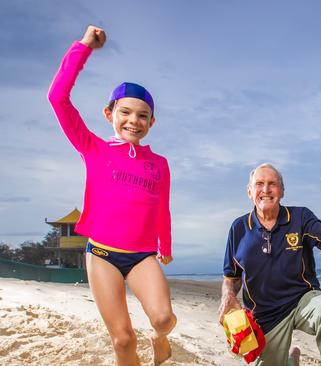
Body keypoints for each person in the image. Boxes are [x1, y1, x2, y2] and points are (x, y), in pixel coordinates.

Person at [48, 26, 176, 366]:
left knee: (164, 319)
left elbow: (161, 206)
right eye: (126, 112)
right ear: (110, 114)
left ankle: (159, 340)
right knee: (122, 339)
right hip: (102, 254)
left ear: (151, 122)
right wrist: (84, 47)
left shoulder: (159, 164)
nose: (134, 121)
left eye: (142, 115)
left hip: (142, 255)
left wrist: (166, 245)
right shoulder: (94, 149)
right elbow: (57, 98)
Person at [218, 163, 321, 366]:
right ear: (249, 191)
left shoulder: (300, 217)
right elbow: (232, 277)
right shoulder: (239, 228)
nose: (266, 189)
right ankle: (291, 360)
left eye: (272, 184)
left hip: (303, 300)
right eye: (259, 184)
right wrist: (228, 295)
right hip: (264, 316)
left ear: (282, 190)